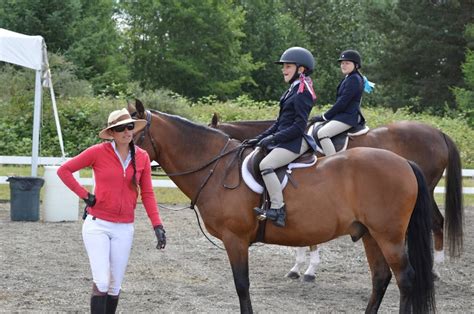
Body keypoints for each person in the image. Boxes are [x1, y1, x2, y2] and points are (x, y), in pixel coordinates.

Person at [57, 108, 166, 314]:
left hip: (125, 228)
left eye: (130, 127)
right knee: (102, 282)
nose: (127, 131)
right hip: (97, 225)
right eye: (120, 128)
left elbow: (148, 194)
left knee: (115, 286)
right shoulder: (97, 152)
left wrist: (157, 224)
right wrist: (85, 195)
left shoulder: (142, 157)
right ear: (112, 133)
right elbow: (65, 170)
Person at [248, 47, 317, 228]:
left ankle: (278, 209)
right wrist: (260, 137)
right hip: (286, 138)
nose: (283, 70)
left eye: (287, 66)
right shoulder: (291, 91)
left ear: (300, 69)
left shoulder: (303, 91)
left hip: (295, 141)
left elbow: (298, 126)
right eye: (283, 67)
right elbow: (279, 123)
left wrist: (273, 139)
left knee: (266, 165)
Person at [310, 49, 367, 156]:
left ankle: (333, 162)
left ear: (356, 65)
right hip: (343, 115)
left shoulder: (354, 79)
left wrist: (324, 116)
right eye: (342, 63)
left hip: (349, 116)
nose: (343, 65)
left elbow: (342, 102)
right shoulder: (349, 77)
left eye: (347, 63)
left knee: (322, 133)